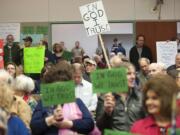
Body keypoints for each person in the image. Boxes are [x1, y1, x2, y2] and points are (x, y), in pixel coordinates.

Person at [30, 61, 94, 135]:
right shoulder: (44, 101)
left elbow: (89, 124)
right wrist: (51, 120)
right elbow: (34, 127)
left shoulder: (76, 101)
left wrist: (69, 124)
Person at [96, 62, 145, 132]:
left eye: (134, 73)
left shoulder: (141, 97)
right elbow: (99, 127)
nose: (133, 77)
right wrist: (107, 114)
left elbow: (148, 123)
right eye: (128, 74)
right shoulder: (105, 98)